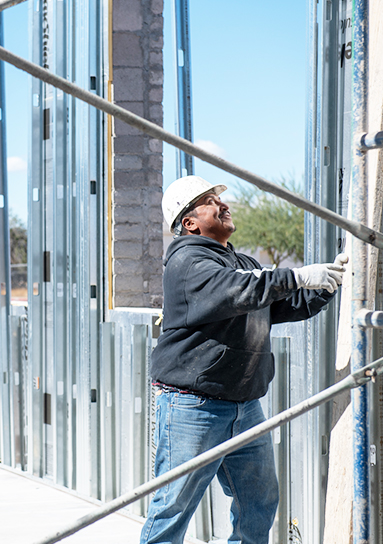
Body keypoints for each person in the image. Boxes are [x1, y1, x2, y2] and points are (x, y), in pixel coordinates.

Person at [141, 175, 346, 544]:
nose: (223, 204)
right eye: (209, 201)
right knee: (173, 507)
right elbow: (240, 290)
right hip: (194, 406)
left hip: (245, 405)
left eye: (220, 199)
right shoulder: (188, 263)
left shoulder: (239, 261)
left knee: (259, 502)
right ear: (189, 222)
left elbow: (282, 304)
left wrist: (327, 284)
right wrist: (297, 275)